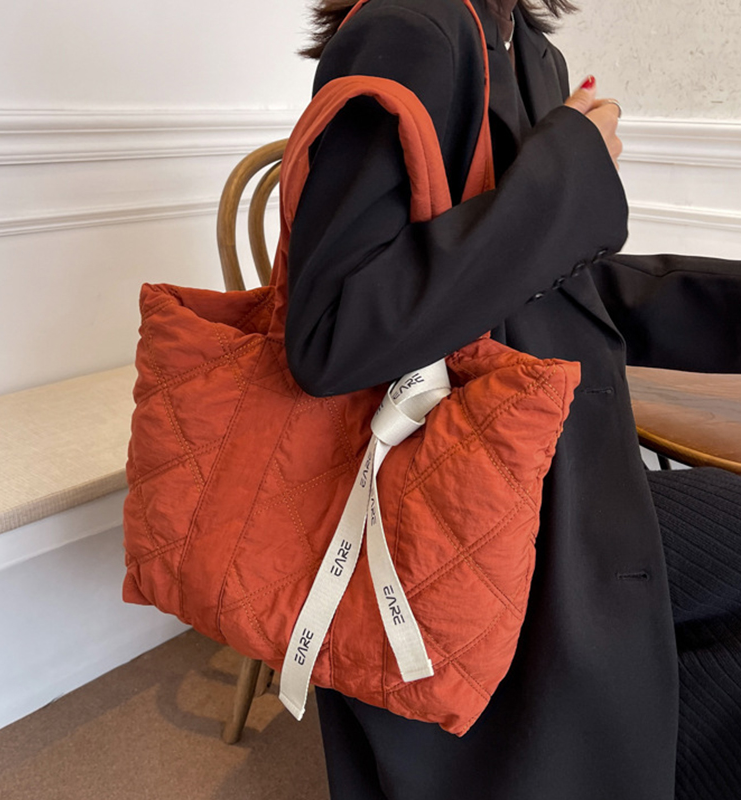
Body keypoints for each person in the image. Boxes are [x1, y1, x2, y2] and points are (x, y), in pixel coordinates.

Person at [282, 0, 741, 798]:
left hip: (554, 484)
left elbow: (542, 283)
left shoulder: (524, 48)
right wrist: (570, 168)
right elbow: (335, 335)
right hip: (469, 515)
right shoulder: (410, 29)